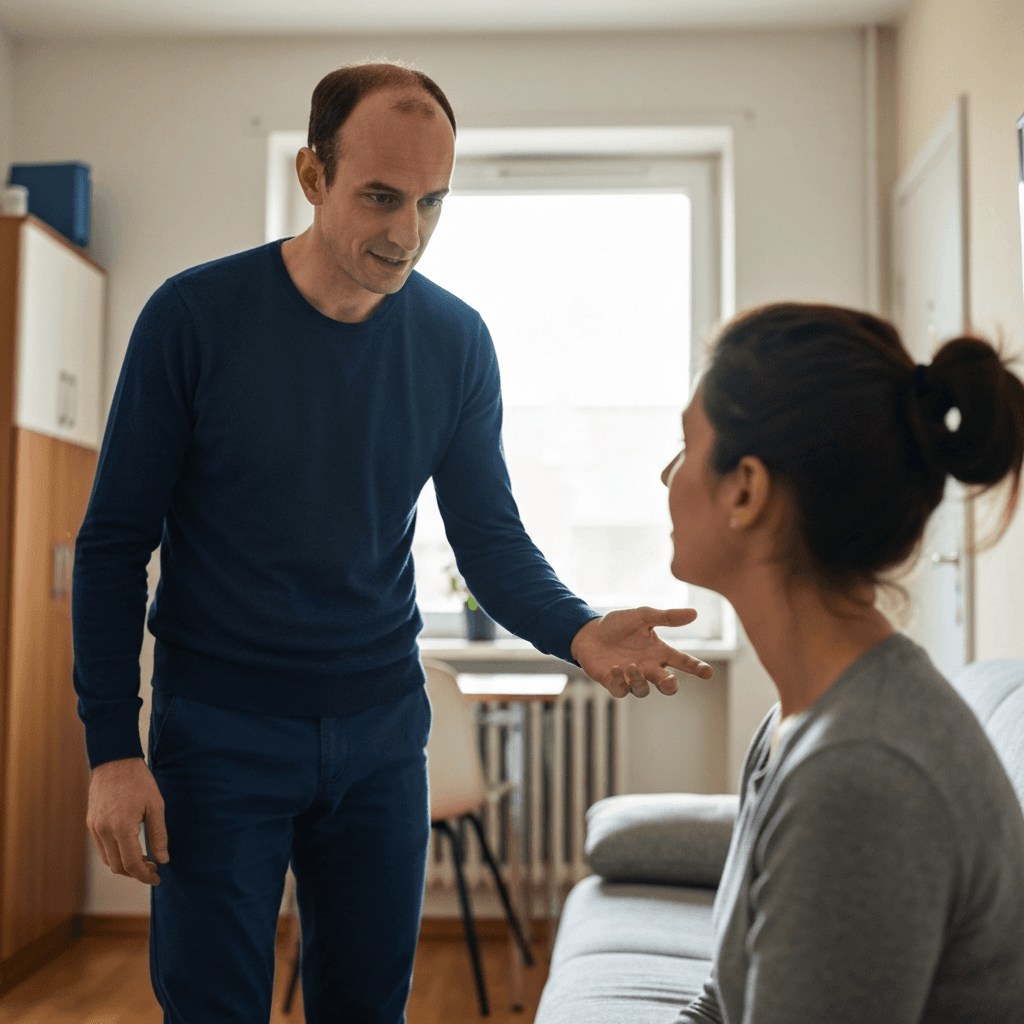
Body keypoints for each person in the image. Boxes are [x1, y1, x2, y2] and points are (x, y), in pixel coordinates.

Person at [73, 61, 714, 1024]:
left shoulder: (456, 343)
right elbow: (115, 545)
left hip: (380, 733)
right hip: (220, 733)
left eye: (431, 203)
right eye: (380, 197)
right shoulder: (192, 319)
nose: (406, 232)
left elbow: (490, 541)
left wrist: (578, 631)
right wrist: (112, 750)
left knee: (368, 1010)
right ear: (312, 175)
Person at [663, 302, 1024, 1023]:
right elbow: (724, 1003)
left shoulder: (863, 775)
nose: (666, 475)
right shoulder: (797, 720)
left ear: (746, 489)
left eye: (685, 446)